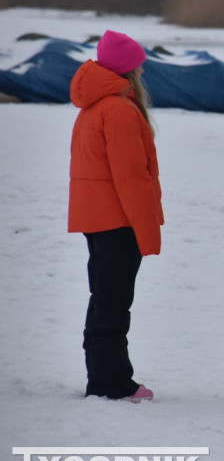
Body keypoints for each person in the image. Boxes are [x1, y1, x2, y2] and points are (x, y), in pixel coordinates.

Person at [68, 30, 162, 403]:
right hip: (118, 221)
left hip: (98, 218)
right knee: (112, 303)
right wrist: (146, 231)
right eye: (138, 67)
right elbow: (131, 179)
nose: (142, 73)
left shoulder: (95, 105)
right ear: (128, 71)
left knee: (105, 299)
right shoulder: (119, 110)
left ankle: (111, 376)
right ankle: (111, 384)